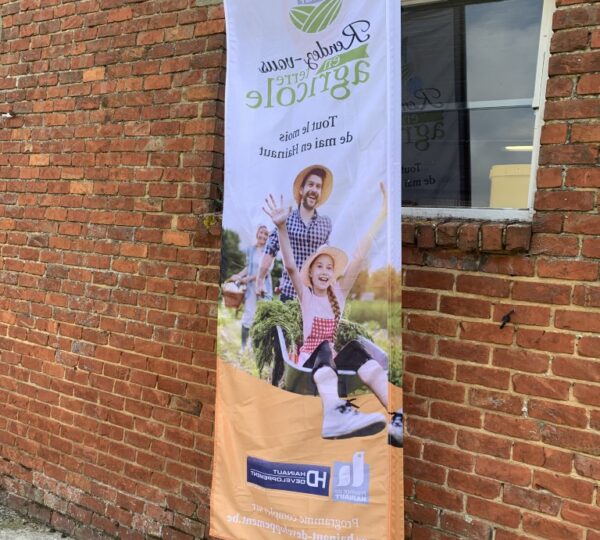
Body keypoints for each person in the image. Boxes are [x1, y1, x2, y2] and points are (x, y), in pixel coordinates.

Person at [264, 184, 403, 444]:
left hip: (331, 362)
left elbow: (360, 254)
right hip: (310, 362)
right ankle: (335, 412)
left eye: (330, 267)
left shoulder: (338, 293)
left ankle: (397, 415)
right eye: (320, 267)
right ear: (312, 273)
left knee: (357, 349)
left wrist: (383, 214)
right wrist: (282, 227)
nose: (325, 271)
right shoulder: (305, 295)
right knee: (326, 347)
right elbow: (291, 266)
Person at [256, 164, 333, 302]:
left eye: (318, 186)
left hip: (314, 298)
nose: (314, 189)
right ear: (301, 190)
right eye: (310, 184)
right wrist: (260, 280)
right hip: (289, 296)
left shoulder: (326, 223)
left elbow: (326, 260)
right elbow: (270, 249)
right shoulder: (286, 219)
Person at [226, 225, 273, 353]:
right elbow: (248, 268)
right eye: (261, 232)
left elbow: (266, 271)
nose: (263, 236)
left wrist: (249, 279)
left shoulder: (269, 252)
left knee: (260, 318)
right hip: (251, 289)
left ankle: (254, 348)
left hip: (263, 289)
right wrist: (238, 276)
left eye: (266, 234)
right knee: (248, 316)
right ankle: (243, 347)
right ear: (257, 233)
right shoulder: (251, 250)